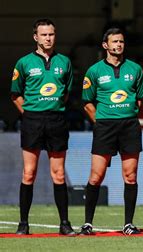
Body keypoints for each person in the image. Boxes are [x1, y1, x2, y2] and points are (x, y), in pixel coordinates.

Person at [10, 18, 75, 236]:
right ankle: (23, 224)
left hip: (57, 120)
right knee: (29, 173)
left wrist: (52, 108)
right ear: (35, 37)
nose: (48, 38)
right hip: (32, 121)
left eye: (51, 34)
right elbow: (16, 95)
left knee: (58, 175)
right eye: (44, 34)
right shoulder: (24, 63)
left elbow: (66, 93)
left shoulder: (64, 62)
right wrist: (30, 113)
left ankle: (64, 223)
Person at [79, 27, 143, 235]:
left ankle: (128, 224)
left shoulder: (135, 69)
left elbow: (140, 99)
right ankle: (88, 223)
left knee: (130, 176)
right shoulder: (94, 71)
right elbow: (87, 103)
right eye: (115, 41)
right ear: (105, 45)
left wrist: (128, 115)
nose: (119, 45)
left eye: (121, 42)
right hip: (105, 127)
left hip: (129, 126)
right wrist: (100, 122)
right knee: (96, 176)